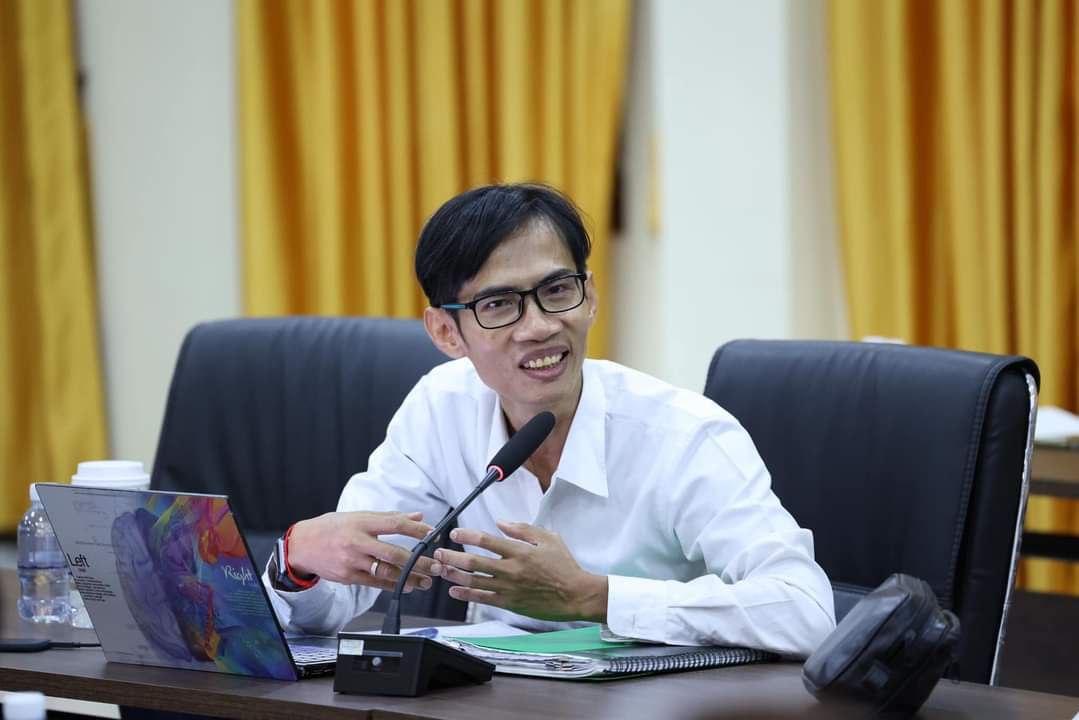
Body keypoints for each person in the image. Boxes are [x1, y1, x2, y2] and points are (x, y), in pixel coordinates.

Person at [263, 184, 836, 656]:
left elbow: (805, 611)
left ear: (590, 298)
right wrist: (298, 561)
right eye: (498, 305)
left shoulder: (682, 435)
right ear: (445, 332)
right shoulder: (441, 409)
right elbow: (341, 594)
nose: (538, 326)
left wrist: (594, 596)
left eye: (557, 290)